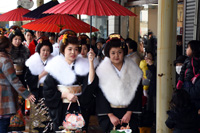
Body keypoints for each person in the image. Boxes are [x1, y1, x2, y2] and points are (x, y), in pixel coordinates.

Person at [43, 31, 96, 132]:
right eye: (70, 49)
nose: (73, 52)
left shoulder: (82, 67)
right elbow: (47, 91)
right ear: (63, 50)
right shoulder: (56, 67)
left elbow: (90, 84)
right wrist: (64, 95)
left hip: (78, 105)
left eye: (76, 49)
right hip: (61, 108)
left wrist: (91, 63)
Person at [92, 34, 143, 132]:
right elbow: (100, 95)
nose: (116, 56)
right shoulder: (101, 71)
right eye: (113, 53)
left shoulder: (133, 69)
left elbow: (137, 92)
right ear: (108, 54)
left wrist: (129, 112)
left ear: (124, 53)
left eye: (119, 52)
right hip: (110, 113)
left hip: (129, 112)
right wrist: (110, 115)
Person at [0, 36, 35, 133]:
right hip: (4, 97)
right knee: (3, 124)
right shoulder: (5, 60)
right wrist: (27, 94)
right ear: (6, 47)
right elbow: (13, 80)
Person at [25, 37, 54, 132]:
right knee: (37, 121)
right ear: (39, 51)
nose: (45, 52)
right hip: (37, 93)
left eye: (48, 50)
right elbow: (28, 79)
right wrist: (41, 75)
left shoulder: (54, 62)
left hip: (49, 93)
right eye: (43, 50)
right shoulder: (32, 62)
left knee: (49, 120)